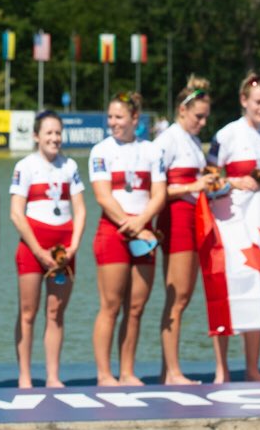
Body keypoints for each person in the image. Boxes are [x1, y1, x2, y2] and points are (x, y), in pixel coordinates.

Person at [89, 92, 166, 386]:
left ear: (135, 119)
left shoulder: (152, 151)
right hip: (114, 232)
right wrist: (129, 224)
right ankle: (104, 373)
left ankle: (127, 371)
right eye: (110, 117)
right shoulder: (101, 151)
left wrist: (142, 223)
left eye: (119, 117)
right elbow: (103, 196)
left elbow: (158, 194)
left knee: (135, 308)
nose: (113, 123)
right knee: (110, 305)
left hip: (144, 231)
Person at [9, 110, 87, 388]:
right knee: (28, 312)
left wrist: (74, 247)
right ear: (36, 136)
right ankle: (25, 377)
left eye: (58, 133)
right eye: (49, 133)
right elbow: (16, 214)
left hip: (64, 250)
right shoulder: (25, 166)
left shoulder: (70, 167)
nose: (54, 138)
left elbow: (80, 209)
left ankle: (53, 376)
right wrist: (40, 252)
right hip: (33, 248)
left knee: (56, 312)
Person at [208, 72, 260, 383]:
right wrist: (235, 181)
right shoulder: (226, 135)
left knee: (258, 295)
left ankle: (252, 368)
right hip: (230, 225)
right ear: (243, 101)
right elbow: (208, 180)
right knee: (225, 294)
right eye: (258, 102)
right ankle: (222, 369)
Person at [155, 75, 218, 385]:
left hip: (194, 217)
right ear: (183, 110)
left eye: (206, 117)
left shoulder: (192, 140)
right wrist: (195, 184)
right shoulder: (166, 140)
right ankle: (173, 373)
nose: (203, 122)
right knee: (176, 298)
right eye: (198, 116)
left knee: (185, 297)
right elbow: (157, 192)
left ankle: (168, 370)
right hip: (175, 219)